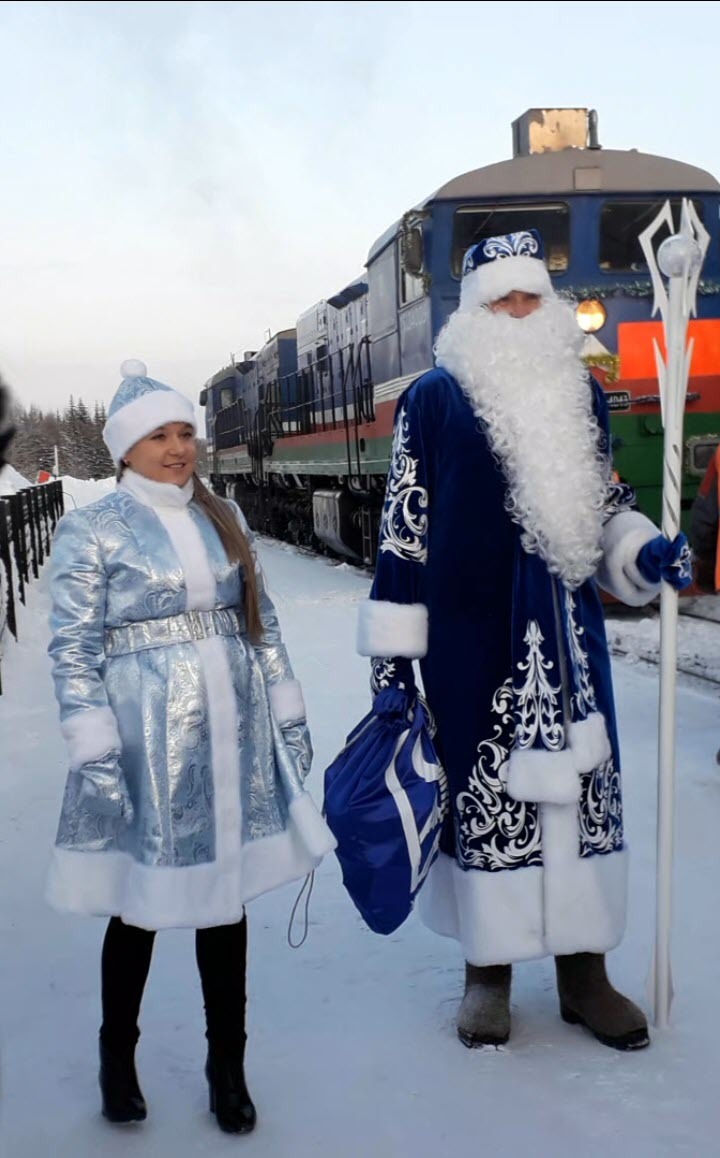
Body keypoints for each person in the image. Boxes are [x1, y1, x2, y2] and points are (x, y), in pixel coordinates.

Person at [357, 231, 691, 1052]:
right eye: (501, 298)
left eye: (531, 296)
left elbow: (605, 501)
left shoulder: (581, 392)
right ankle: (489, 971)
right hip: (473, 642)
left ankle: (585, 973)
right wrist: (395, 660)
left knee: (582, 796)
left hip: (571, 644)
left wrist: (641, 551)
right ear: (473, 311)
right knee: (487, 798)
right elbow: (404, 531)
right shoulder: (433, 401)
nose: (518, 308)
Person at [46, 360, 335, 1132]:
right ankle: (117, 1057)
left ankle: (226, 1066)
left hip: (231, 728)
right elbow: (72, 648)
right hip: (144, 735)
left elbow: (261, 623)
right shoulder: (93, 529)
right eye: (158, 437)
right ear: (125, 448)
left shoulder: (222, 514)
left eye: (184, 433)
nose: (177, 448)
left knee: (222, 901)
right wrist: (93, 744)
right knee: (138, 904)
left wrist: (287, 708)